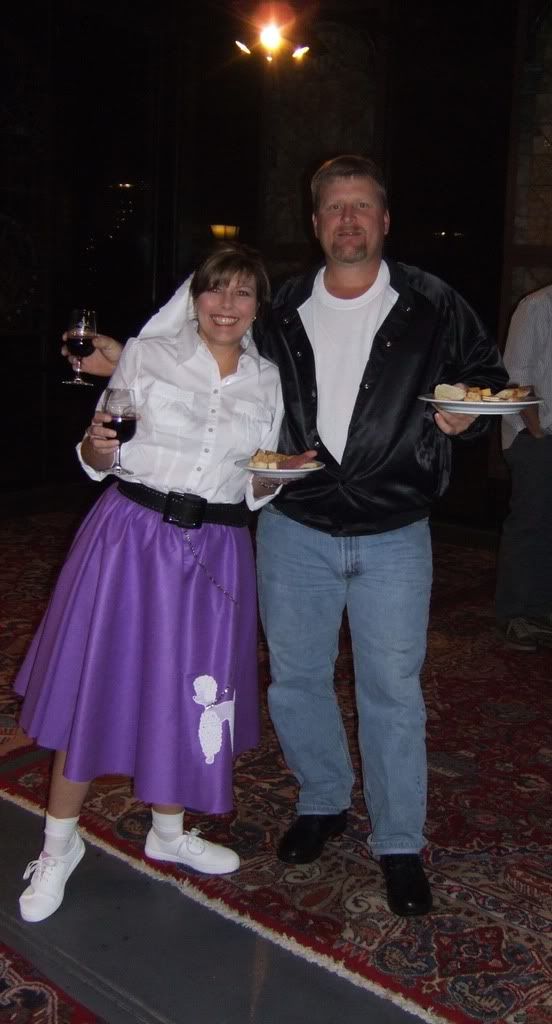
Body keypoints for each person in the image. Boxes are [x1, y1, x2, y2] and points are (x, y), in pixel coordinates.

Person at [65, 156, 508, 917]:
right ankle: (323, 800)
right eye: (335, 207)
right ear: (316, 222)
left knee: (392, 689)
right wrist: (119, 355)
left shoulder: (431, 302)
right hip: (296, 525)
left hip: (394, 527)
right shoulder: (284, 304)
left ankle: (399, 842)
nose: (348, 220)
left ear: (385, 220)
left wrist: (467, 419)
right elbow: (214, 349)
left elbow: (488, 381)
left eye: (361, 206)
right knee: (297, 679)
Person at [14, 243, 312, 924]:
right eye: (215, 290)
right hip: (131, 536)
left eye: (242, 293)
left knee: (191, 688)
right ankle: (58, 847)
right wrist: (96, 447)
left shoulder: (267, 380)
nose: (226, 305)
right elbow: (98, 452)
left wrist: (280, 476)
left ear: (257, 307)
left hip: (217, 547)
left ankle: (169, 833)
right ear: (194, 297)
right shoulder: (148, 355)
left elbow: (254, 480)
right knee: (96, 686)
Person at [495, 284, 552, 651]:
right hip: (536, 436)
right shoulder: (537, 306)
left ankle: (541, 609)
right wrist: (538, 435)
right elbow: (516, 379)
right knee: (532, 524)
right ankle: (515, 615)